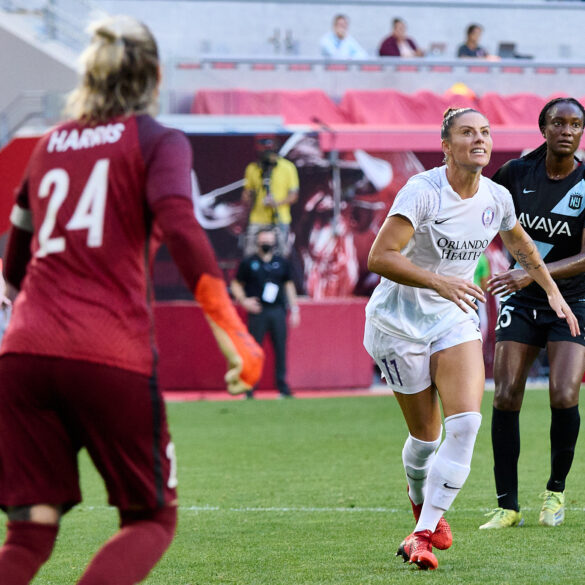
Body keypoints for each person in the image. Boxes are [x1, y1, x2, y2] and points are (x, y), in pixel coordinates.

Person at [0, 15, 264, 585]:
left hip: (22, 356)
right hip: (107, 352)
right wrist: (231, 329)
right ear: (156, 76)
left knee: (29, 533)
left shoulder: (46, 147)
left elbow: (14, 267)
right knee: (150, 520)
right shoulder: (156, 140)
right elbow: (181, 227)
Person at [363, 107, 579, 570]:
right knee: (425, 438)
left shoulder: (497, 196)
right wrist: (438, 281)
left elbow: (519, 243)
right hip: (397, 324)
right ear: (446, 144)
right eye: (467, 133)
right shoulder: (422, 192)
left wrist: (553, 291)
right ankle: (419, 501)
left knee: (465, 426)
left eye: (484, 132)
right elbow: (379, 257)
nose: (478, 140)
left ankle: (422, 533)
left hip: (453, 319)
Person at [480, 97, 585, 530]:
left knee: (564, 394)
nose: (567, 130)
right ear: (542, 128)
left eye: (576, 124)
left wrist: (530, 273)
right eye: (558, 122)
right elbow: (483, 216)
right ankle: (507, 505)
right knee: (505, 395)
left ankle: (555, 494)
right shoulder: (514, 174)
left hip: (573, 299)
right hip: (522, 302)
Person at [231, 227, 300, 399]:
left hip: (277, 310)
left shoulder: (281, 262)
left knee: (280, 349)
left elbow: (288, 285)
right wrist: (244, 301)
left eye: (269, 241)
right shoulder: (248, 263)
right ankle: (249, 388)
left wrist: (295, 308)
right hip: (258, 311)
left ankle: (282, 387)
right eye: (263, 241)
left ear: (274, 242)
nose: (266, 244)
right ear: (257, 242)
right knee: (253, 350)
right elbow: (236, 284)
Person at [242, 136, 299, 257]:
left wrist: (276, 203)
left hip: (280, 218)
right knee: (250, 254)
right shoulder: (253, 168)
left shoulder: (288, 167)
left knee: (281, 255)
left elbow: (294, 195)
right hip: (257, 219)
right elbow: (248, 192)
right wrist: (247, 196)